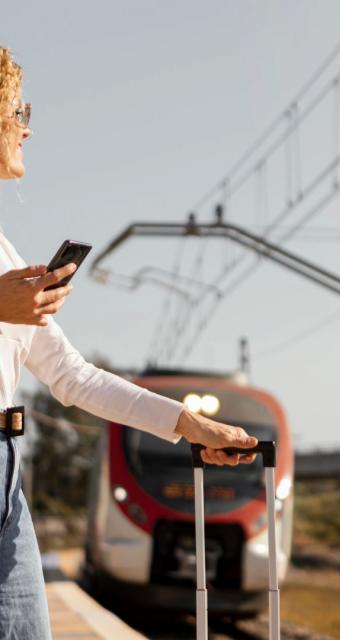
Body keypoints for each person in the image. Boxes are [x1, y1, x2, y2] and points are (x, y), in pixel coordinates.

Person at [0, 46, 257, 639]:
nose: (28, 126)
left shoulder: (5, 250)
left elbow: (73, 377)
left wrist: (189, 423)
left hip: (7, 478)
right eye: (18, 111)